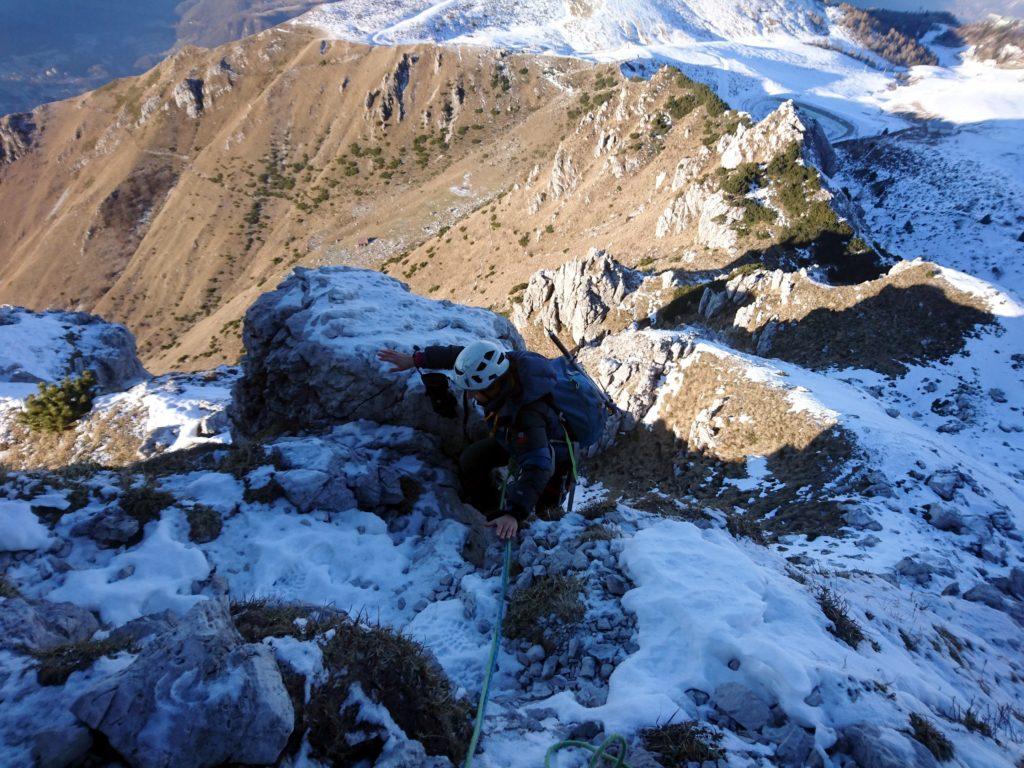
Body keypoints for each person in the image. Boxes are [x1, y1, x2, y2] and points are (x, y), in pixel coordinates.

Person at [377, 340, 573, 540]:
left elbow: (539, 466)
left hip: (553, 452)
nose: (470, 395)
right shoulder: (502, 366)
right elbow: (461, 357)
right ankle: (488, 510)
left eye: (475, 390)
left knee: (545, 511)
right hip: (513, 437)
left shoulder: (527, 415)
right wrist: (415, 359)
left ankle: (544, 532)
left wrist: (514, 513)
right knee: (471, 460)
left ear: (493, 387)